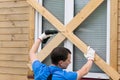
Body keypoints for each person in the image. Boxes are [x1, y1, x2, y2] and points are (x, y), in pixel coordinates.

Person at [29, 30, 95, 80]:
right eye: (68, 60)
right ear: (61, 62)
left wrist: (41, 37)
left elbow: (32, 53)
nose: (70, 62)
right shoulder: (63, 76)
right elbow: (84, 71)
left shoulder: (40, 69)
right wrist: (91, 58)